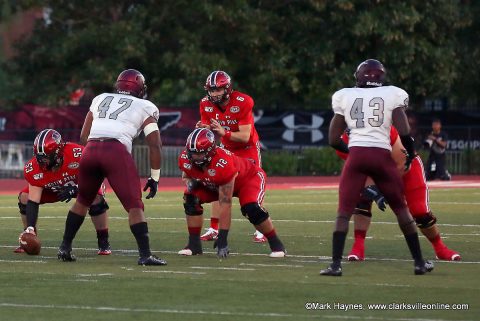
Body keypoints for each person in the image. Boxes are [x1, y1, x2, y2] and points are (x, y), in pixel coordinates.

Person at [321, 59, 433, 276]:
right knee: (401, 209)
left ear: (358, 76)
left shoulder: (344, 95)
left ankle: (335, 265)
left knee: (343, 213)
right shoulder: (393, 93)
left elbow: (333, 139)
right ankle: (419, 262)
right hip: (382, 155)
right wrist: (410, 153)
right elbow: (404, 131)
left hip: (357, 156)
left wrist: (352, 151)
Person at [57, 69, 167, 266]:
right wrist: (155, 177)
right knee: (135, 205)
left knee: (82, 200)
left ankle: (64, 247)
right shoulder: (145, 106)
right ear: (140, 88)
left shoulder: (100, 98)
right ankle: (145, 254)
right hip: (115, 151)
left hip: (90, 149)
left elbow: (84, 135)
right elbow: (155, 144)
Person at [335, 127, 461, 261]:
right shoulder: (344, 143)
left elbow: (402, 164)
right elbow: (360, 171)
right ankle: (358, 245)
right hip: (378, 172)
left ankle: (439, 248)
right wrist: (374, 190)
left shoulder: (384, 129)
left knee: (420, 212)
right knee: (363, 198)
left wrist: (386, 189)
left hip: (406, 166)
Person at [177, 128, 286, 258]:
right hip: (215, 183)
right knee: (190, 197)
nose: (195, 157)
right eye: (193, 153)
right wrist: (191, 184)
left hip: (248, 179)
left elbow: (225, 204)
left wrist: (222, 237)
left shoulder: (223, 163)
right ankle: (194, 245)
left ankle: (276, 245)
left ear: (211, 151)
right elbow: (187, 176)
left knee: (251, 208)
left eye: (200, 154)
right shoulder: (185, 158)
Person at [196, 70, 266, 243]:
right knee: (216, 184)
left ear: (227, 89)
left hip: (247, 147)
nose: (214, 93)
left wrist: (223, 132)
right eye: (211, 90)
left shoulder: (243, 101)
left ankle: (261, 229)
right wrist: (202, 128)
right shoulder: (205, 103)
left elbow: (244, 136)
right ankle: (214, 228)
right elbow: (207, 128)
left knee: (252, 184)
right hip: (226, 148)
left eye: (218, 90)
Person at [17, 128, 111, 255]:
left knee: (96, 200)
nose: (41, 161)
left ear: (58, 153)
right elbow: (33, 200)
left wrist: (76, 189)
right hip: (53, 189)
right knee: (24, 196)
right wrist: (30, 227)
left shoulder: (77, 153)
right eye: (39, 157)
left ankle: (103, 242)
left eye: (45, 157)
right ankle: (29, 235)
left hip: (81, 185)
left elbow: (96, 176)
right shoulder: (33, 168)